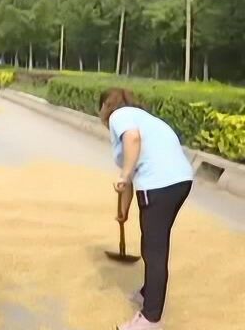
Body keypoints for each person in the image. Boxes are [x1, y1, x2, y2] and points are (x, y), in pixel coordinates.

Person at [99, 88, 194, 330]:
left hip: (159, 184)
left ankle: (151, 319)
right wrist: (124, 212)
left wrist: (125, 174)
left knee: (154, 251)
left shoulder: (119, 117)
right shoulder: (146, 120)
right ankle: (147, 292)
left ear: (106, 107)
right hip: (180, 182)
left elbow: (132, 142)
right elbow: (129, 179)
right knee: (153, 243)